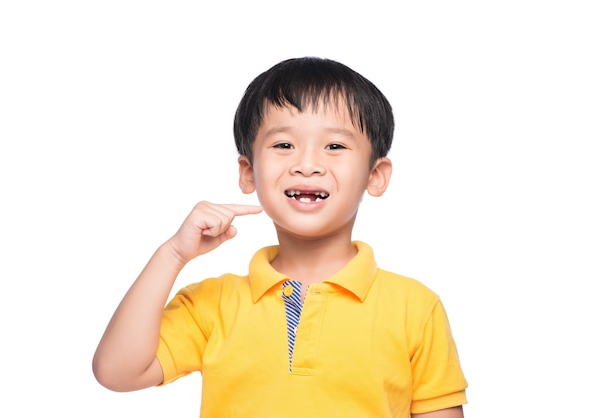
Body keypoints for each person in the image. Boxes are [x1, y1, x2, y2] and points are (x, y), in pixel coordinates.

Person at [92, 56, 468, 417]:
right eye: (283, 145)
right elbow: (117, 372)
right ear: (248, 172)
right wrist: (173, 254)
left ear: (376, 175)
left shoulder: (414, 308)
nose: (306, 165)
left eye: (335, 146)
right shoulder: (213, 304)